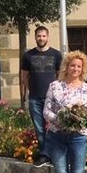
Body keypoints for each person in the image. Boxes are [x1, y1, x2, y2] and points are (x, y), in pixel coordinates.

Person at [20, 25, 63, 164]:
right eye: (39, 36)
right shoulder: (28, 55)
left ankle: (50, 153)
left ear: (47, 37)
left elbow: (59, 75)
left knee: (52, 126)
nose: (41, 38)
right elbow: (24, 76)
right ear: (35, 37)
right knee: (39, 128)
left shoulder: (56, 55)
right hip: (35, 98)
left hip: (52, 98)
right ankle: (45, 155)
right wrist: (30, 89)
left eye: (43, 36)